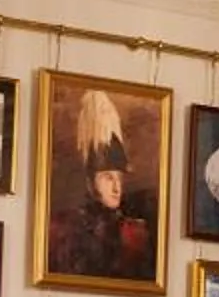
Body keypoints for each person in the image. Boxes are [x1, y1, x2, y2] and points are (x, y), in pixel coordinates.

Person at [46, 92, 155, 280]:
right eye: (107, 177)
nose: (116, 187)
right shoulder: (63, 229)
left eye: (118, 178)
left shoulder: (135, 234)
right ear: (90, 181)